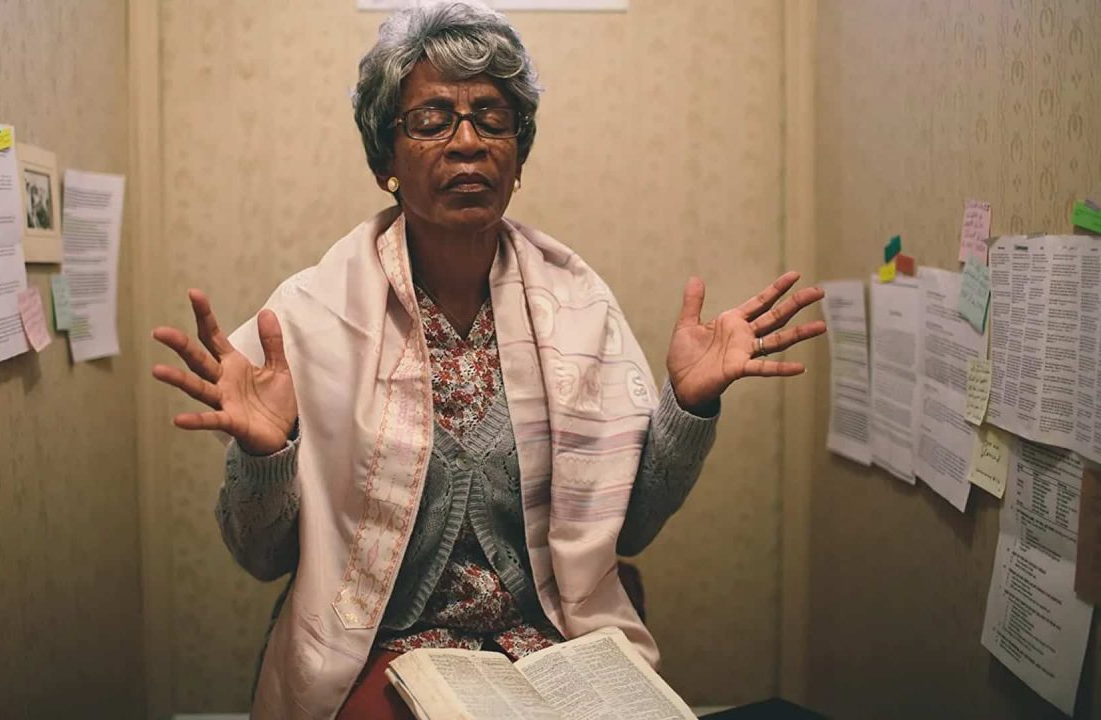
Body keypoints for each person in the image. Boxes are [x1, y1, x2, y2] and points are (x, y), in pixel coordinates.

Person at [150, 3, 826, 718]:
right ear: (386, 158)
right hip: (382, 651)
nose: (467, 142)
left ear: (519, 154)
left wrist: (687, 408)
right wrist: (266, 455)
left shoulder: (577, 306)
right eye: (432, 119)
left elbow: (625, 533)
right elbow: (260, 558)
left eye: (492, 119)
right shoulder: (311, 316)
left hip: (547, 647)